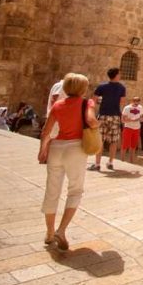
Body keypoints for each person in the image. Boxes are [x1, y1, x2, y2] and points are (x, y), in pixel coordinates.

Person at [38, 73, 98, 252]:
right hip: (76, 149)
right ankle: (61, 230)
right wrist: (97, 126)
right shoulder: (87, 103)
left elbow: (46, 131)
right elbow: (91, 121)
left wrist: (43, 150)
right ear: (82, 89)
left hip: (56, 147)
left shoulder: (57, 105)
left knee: (52, 190)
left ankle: (49, 232)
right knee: (75, 190)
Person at [88, 68, 126, 171]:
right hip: (115, 116)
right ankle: (110, 162)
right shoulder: (122, 88)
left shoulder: (102, 86)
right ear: (116, 75)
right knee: (113, 141)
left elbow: (93, 100)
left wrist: (101, 103)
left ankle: (97, 164)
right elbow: (122, 102)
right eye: (119, 74)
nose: (120, 75)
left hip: (103, 115)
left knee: (100, 140)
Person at [120, 97, 143, 163]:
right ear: (132, 101)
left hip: (137, 128)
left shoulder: (140, 107)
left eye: (138, 101)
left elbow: (141, 117)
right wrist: (131, 120)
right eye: (136, 101)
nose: (137, 103)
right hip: (128, 128)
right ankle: (122, 160)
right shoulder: (127, 108)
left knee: (133, 146)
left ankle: (131, 161)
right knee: (125, 145)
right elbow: (122, 120)